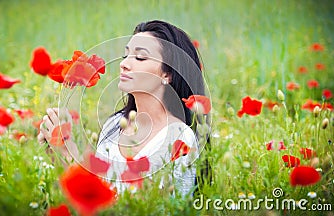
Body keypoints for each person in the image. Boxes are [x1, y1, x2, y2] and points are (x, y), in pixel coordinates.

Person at [38, 20, 209, 197]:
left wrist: (69, 155)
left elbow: (155, 208)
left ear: (167, 74)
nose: (124, 64)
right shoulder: (115, 124)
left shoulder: (179, 139)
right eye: (125, 56)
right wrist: (58, 153)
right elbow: (96, 194)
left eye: (140, 57)